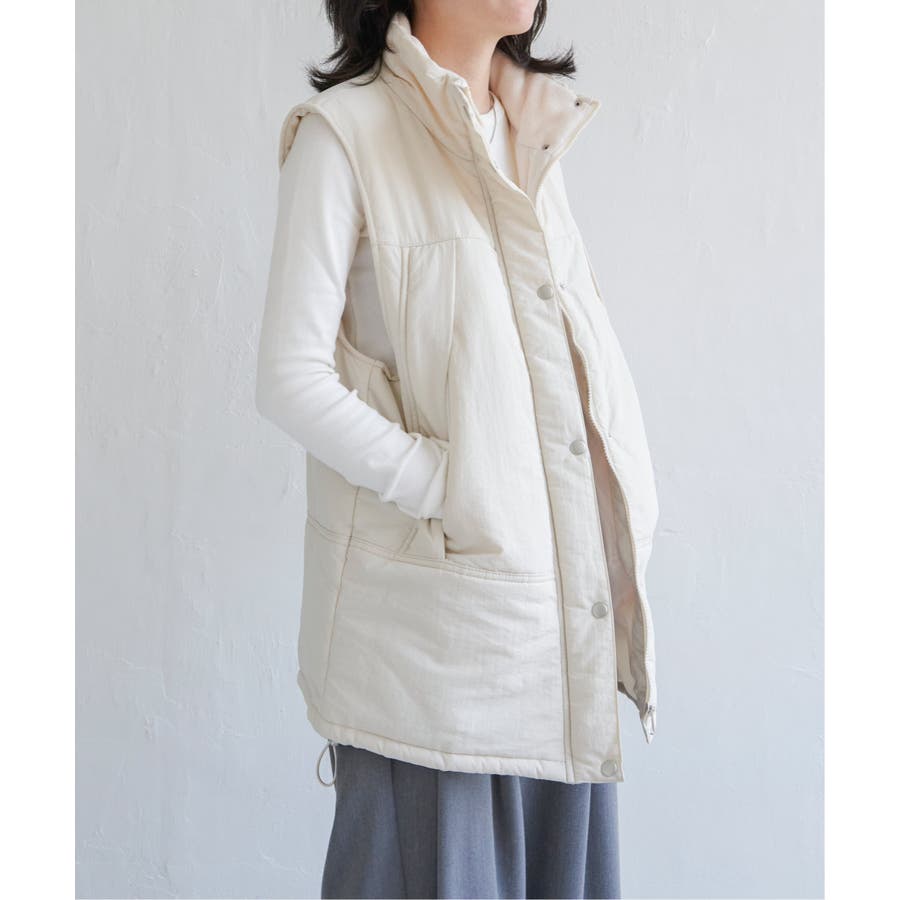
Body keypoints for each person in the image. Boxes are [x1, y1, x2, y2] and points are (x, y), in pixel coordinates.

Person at [256, 2, 661, 897]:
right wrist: (450, 486)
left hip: (560, 642)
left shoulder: (534, 131)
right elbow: (290, 376)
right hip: (432, 663)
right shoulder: (347, 133)